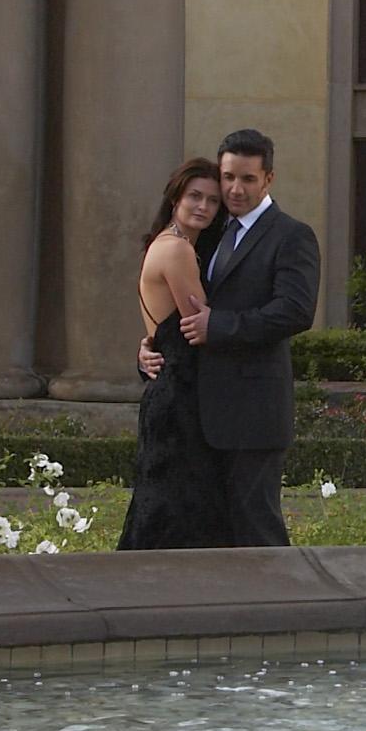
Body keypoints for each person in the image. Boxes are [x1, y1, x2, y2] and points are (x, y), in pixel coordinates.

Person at [141, 128, 318, 547]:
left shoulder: (292, 235)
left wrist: (216, 326)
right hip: (196, 414)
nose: (235, 189)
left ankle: (284, 612)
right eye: (228, 177)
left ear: (268, 179)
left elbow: (295, 311)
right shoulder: (207, 233)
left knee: (256, 529)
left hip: (253, 415)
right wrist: (150, 351)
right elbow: (173, 310)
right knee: (207, 532)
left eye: (248, 179)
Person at [118, 157, 231, 550]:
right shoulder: (178, 250)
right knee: (174, 511)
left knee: (165, 507)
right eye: (194, 196)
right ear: (175, 198)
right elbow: (200, 327)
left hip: (170, 391)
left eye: (213, 201)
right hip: (179, 400)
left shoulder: (167, 244)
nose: (203, 206)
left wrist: (145, 350)